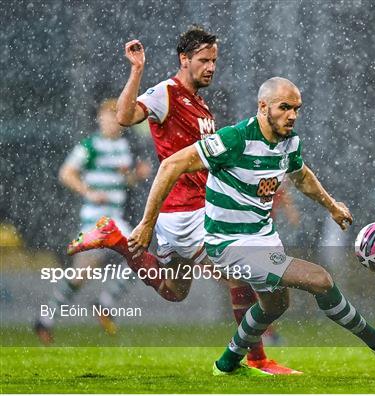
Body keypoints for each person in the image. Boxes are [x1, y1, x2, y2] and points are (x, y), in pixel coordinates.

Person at [127, 77, 375, 376]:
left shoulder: (289, 141)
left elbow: (302, 175)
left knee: (275, 305)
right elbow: (170, 165)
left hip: (263, 238)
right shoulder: (235, 139)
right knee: (319, 279)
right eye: (284, 107)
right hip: (229, 245)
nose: (292, 115)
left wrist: (332, 207)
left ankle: (226, 365)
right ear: (263, 106)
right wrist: (146, 224)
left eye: (296, 108)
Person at [67, 27, 298, 374]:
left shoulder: (201, 105)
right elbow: (125, 116)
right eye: (203, 60)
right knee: (243, 274)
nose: (210, 67)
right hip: (193, 212)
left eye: (214, 60)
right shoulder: (168, 92)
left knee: (175, 290)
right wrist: (137, 70)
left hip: (180, 214)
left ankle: (116, 240)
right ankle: (258, 359)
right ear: (184, 59)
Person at [34, 98, 151, 344]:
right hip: (95, 220)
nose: (111, 122)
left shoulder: (123, 147)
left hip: (115, 218)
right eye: (107, 117)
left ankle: (103, 304)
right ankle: (46, 319)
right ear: (100, 119)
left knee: (140, 255)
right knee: (79, 276)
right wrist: (88, 192)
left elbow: (120, 182)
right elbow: (66, 173)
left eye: (115, 118)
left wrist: (136, 177)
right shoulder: (90, 145)